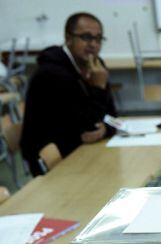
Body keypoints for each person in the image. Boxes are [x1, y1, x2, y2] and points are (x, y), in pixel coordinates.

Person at [21, 12, 117, 176]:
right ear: (68, 38)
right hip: (53, 158)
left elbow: (111, 115)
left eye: (98, 38)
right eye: (86, 37)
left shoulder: (95, 64)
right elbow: (89, 125)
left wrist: (106, 129)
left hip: (81, 148)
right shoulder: (51, 73)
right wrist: (99, 87)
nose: (93, 44)